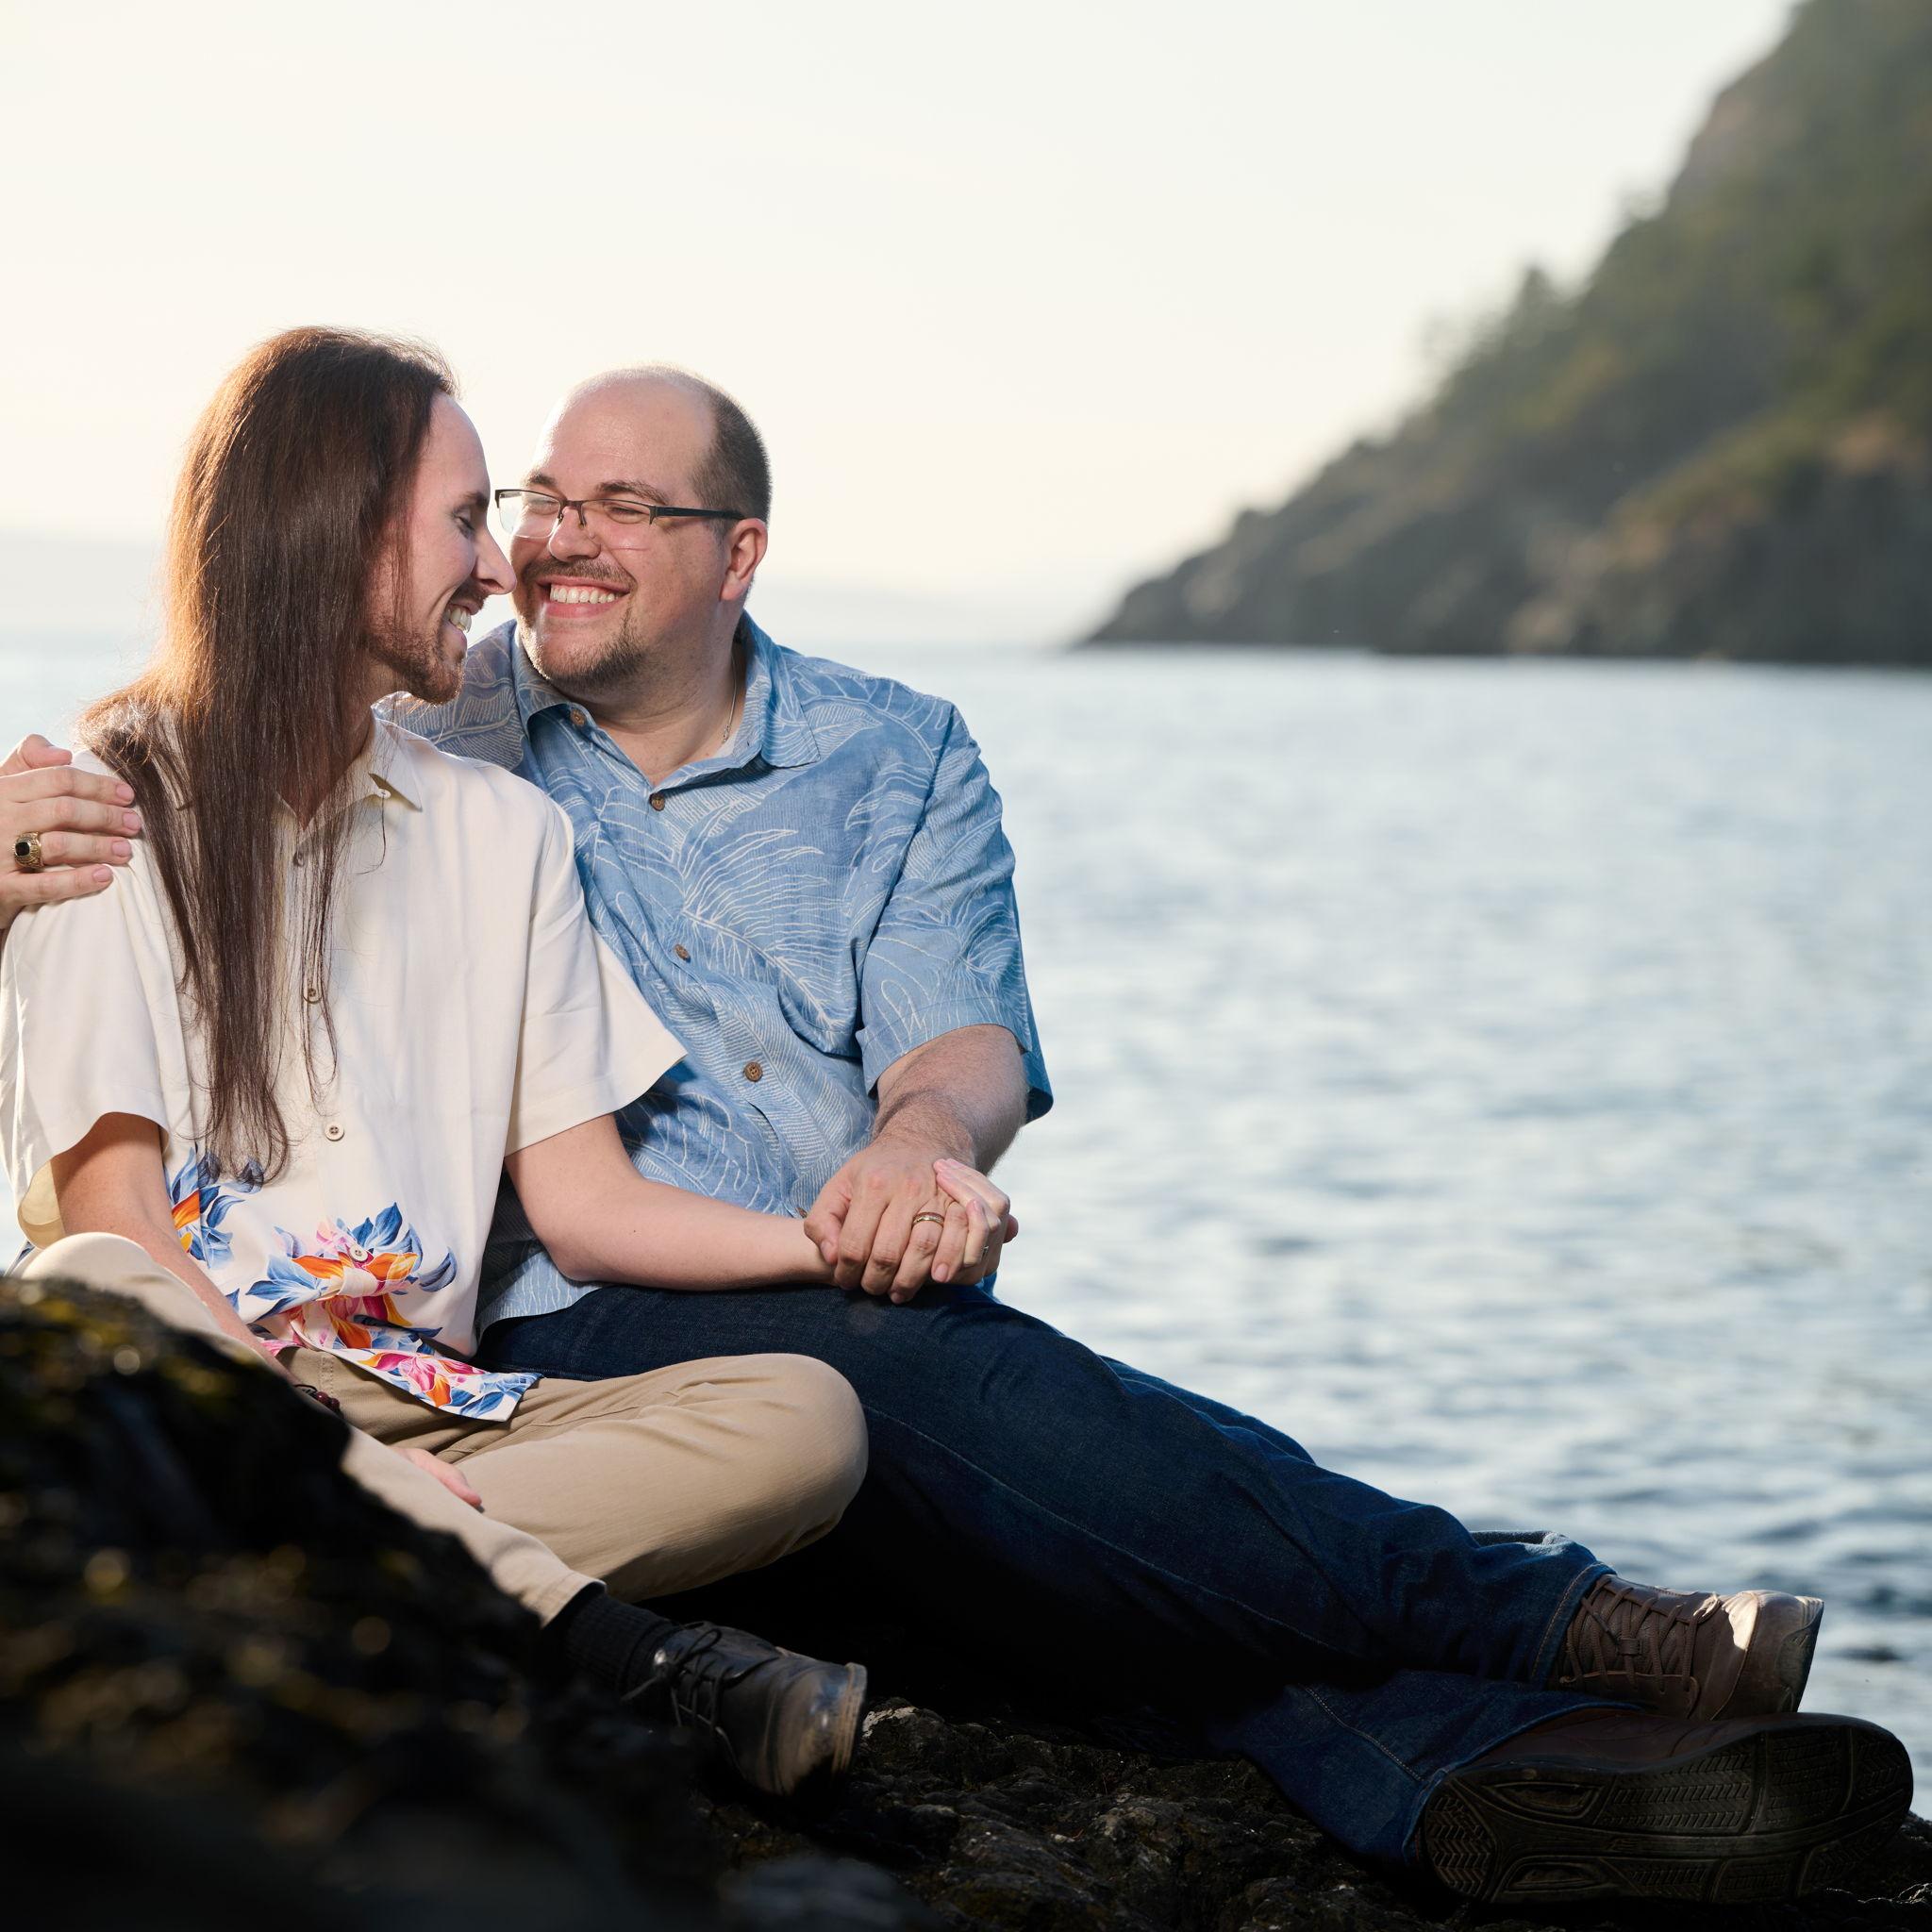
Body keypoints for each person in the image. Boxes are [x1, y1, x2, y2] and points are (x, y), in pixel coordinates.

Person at [7, 362, 1911, 1905]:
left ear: (738, 553)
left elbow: (957, 1043)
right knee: (913, 1407)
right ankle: (1543, 1619)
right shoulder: (420, 734)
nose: (538, 548)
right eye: (522, 503)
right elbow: (210, 772)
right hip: (546, 1335)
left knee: (966, 1524)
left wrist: (907, 1174)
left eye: (613, 507)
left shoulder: (875, 751)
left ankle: (1464, 1774)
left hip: (768, 1311)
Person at [0, 327, 909, 1801]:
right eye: (467, 519)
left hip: (432, 1405)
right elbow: (118, 1222)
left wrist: (851, 1235)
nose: (501, 569)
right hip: (193, 1384)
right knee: (84, 1281)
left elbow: (588, 1206)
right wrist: (296, 1430)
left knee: (807, 1419)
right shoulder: (102, 812)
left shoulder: (504, 835)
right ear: (336, 532)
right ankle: (619, 1654)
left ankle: (316, 1564)